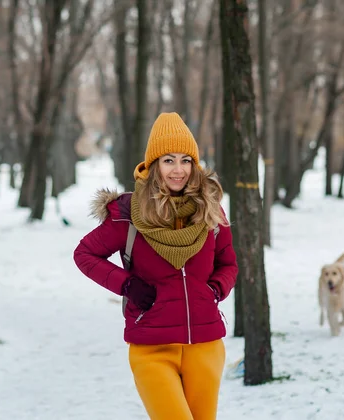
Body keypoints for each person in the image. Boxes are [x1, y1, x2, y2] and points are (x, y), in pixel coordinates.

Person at [73, 112, 238, 420]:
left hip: (205, 344)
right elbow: (85, 254)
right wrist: (127, 285)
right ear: (152, 165)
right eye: (168, 160)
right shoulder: (128, 212)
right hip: (152, 347)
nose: (178, 170)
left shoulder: (211, 210)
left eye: (186, 160)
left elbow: (228, 263)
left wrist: (215, 290)